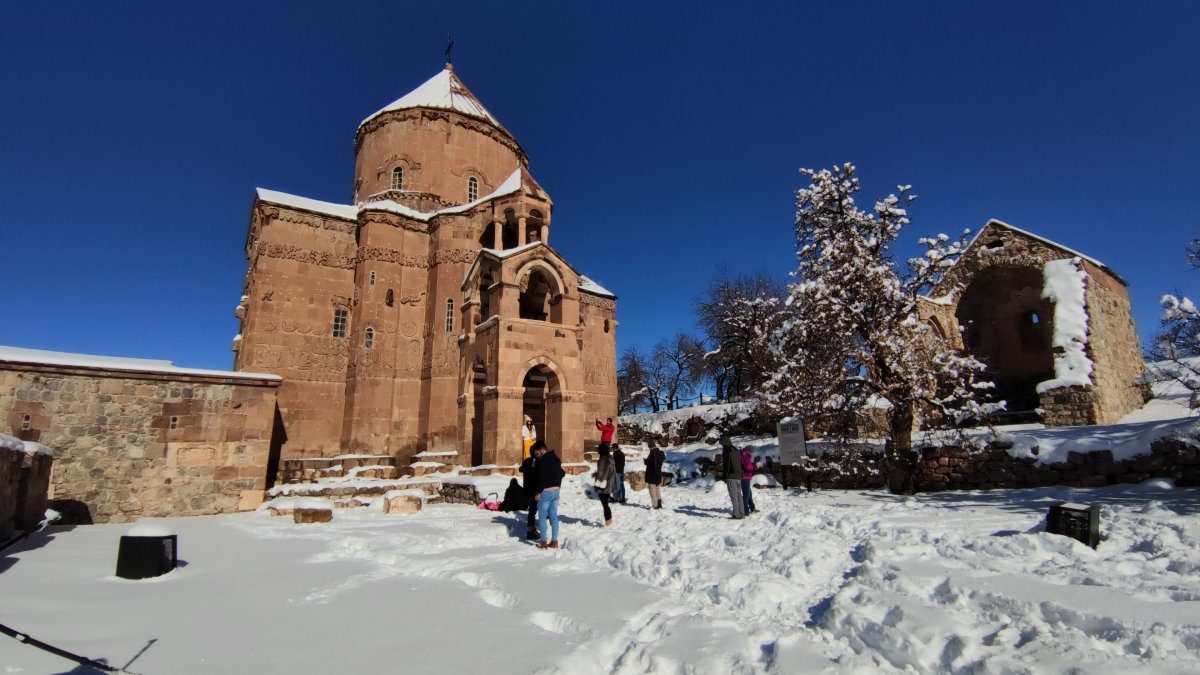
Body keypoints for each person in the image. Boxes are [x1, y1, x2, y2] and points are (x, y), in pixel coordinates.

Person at [532, 441, 565, 549]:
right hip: (556, 491)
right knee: (554, 516)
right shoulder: (556, 459)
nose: (537, 456)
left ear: (541, 449)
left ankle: (544, 541)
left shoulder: (542, 461)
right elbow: (562, 473)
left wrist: (537, 492)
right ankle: (554, 541)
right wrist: (557, 483)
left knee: (542, 517)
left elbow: (542, 479)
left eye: (537, 453)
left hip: (545, 492)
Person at [720, 434, 745, 519]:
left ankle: (736, 514)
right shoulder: (735, 449)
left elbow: (726, 464)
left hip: (731, 476)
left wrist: (725, 476)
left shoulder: (727, 450)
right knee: (739, 495)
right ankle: (742, 513)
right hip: (739, 476)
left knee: (733, 495)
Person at [519, 448, 539, 540]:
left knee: (532, 510)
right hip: (534, 491)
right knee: (533, 510)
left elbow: (521, 469)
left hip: (527, 489)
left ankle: (531, 528)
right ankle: (531, 530)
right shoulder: (538, 462)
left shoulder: (526, 461)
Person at [593, 444, 616, 526]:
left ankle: (608, 520)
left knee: (605, 504)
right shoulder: (610, 458)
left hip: (603, 485)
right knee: (605, 503)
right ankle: (609, 519)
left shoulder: (603, 460)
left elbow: (602, 474)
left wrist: (598, 479)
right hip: (609, 483)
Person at [644, 443, 666, 509]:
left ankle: (655, 505)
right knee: (657, 488)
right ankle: (659, 504)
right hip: (658, 473)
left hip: (652, 474)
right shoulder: (661, 453)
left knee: (652, 490)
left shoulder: (652, 453)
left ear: (650, 447)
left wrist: (645, 461)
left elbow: (649, 462)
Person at [739, 446, 757, 515]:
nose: (752, 454)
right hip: (744, 477)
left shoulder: (744, 454)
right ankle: (745, 510)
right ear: (749, 451)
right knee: (746, 494)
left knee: (749, 493)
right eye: (751, 452)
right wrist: (754, 466)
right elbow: (747, 467)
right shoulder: (745, 455)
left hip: (745, 476)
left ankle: (752, 507)